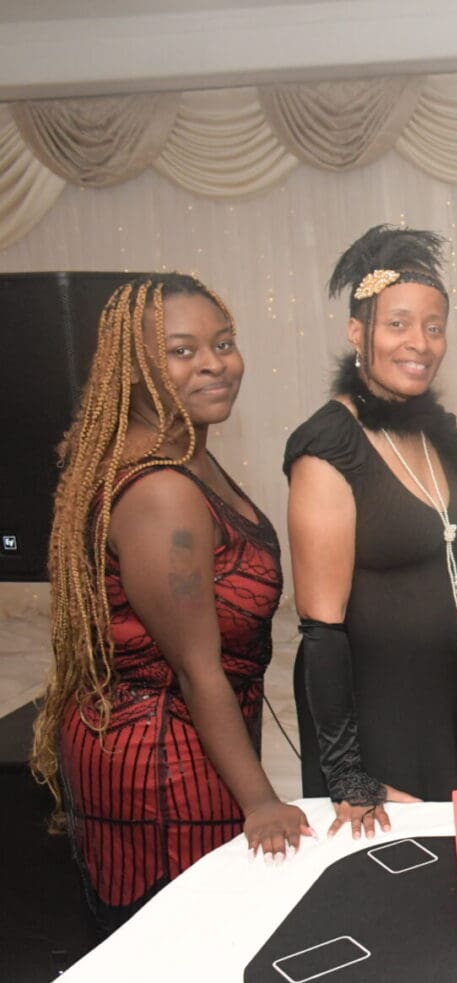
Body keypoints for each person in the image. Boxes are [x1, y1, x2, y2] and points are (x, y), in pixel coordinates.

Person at [32, 275, 309, 930]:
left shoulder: (186, 451)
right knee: (179, 965)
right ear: (134, 370)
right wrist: (262, 802)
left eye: (224, 343)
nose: (215, 363)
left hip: (184, 742)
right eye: (183, 351)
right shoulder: (161, 489)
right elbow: (196, 668)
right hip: (161, 771)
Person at [285, 225, 457, 836]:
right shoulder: (329, 446)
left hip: (452, 708)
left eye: (434, 327)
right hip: (381, 726)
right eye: (398, 324)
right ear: (358, 333)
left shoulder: (435, 432)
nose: (421, 343)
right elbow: (321, 632)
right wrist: (349, 774)